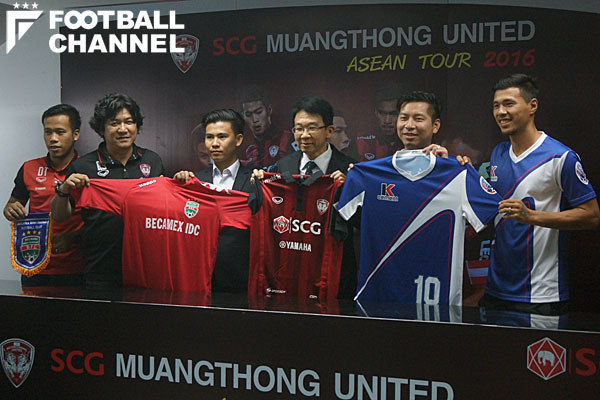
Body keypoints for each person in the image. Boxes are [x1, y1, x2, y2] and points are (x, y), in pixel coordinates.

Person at [336, 91, 501, 306]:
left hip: (435, 302)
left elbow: (492, 216)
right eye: (404, 118)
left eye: (418, 118)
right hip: (377, 299)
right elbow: (353, 223)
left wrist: (459, 169)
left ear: (435, 125)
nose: (409, 125)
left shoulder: (458, 173)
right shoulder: (366, 174)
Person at [481, 74, 599, 313]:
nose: (501, 112)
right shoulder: (498, 153)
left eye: (508, 104)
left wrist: (532, 216)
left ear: (532, 106)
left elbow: (592, 216)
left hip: (540, 294)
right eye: (496, 105)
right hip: (495, 291)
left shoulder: (561, 157)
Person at [50, 93, 164, 287]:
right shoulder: (83, 166)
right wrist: (64, 189)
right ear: (101, 129)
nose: (123, 129)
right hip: (100, 268)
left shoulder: (152, 161)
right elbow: (60, 216)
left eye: (129, 122)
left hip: (147, 266)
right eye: (114, 123)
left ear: (137, 126)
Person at [253, 95, 357, 297]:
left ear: (329, 131)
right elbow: (261, 213)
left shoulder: (350, 169)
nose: (304, 135)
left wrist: (346, 192)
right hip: (290, 270)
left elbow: (362, 222)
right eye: (298, 128)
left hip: (333, 274)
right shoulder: (282, 167)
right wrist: (257, 186)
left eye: (312, 128)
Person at [174, 109, 254, 292]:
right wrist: (181, 186)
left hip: (241, 279)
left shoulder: (255, 180)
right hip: (198, 277)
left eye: (222, 137)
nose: (215, 144)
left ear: (238, 139)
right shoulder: (195, 180)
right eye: (209, 137)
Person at [4, 104, 85, 286]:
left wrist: (73, 237)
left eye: (60, 132)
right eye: (48, 132)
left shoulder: (87, 170)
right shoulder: (29, 168)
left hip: (77, 267)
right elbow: (11, 205)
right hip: (34, 263)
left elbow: (101, 222)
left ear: (75, 134)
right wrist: (11, 210)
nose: (53, 139)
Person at [241, 84, 296, 168]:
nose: (255, 120)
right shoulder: (250, 151)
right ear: (243, 116)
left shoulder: (288, 139)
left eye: (259, 112)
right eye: (248, 115)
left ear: (269, 110)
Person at [355, 84, 403, 162]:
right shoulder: (360, 142)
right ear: (376, 113)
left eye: (393, 114)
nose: (387, 121)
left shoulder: (413, 141)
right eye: (382, 113)